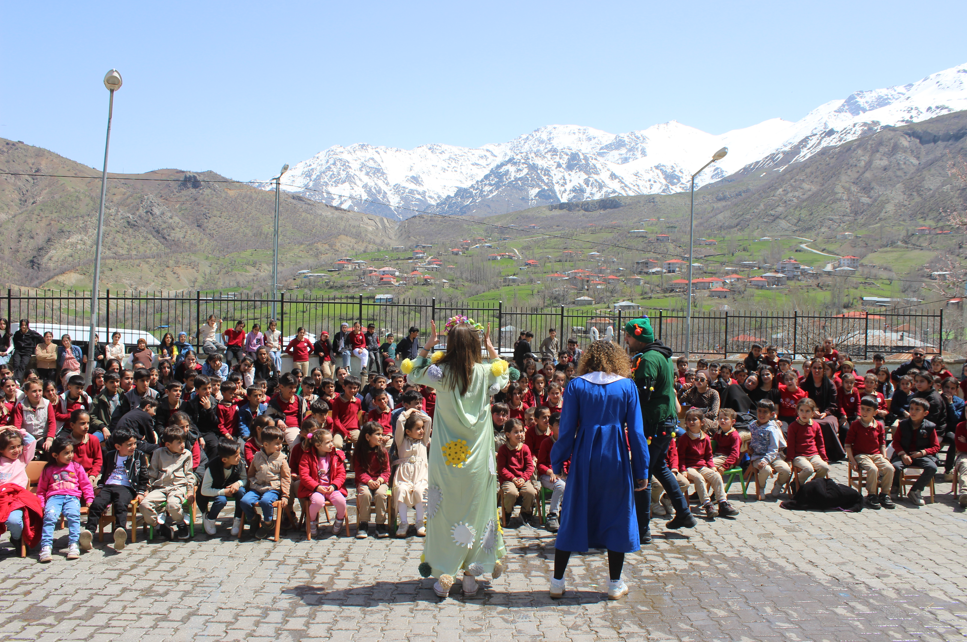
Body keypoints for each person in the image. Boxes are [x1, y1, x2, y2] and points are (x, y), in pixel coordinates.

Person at [405, 317, 510, 598]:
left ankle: (445, 570)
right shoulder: (486, 371)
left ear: (449, 344)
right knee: (478, 510)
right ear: (476, 344)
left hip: (446, 458)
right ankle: (470, 575)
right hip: (479, 460)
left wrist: (427, 345)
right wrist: (491, 349)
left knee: (445, 512)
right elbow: (505, 376)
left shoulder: (440, 373)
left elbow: (412, 375)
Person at [548, 339, 648, 601]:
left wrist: (557, 461)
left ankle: (557, 582)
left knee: (574, 512)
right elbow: (637, 433)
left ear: (588, 358)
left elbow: (567, 429)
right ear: (618, 359)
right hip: (615, 456)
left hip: (585, 455)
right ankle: (615, 584)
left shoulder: (576, 385)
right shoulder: (627, 386)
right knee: (617, 515)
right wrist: (641, 469)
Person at [624, 317, 694, 538]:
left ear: (638, 337)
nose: (625, 339)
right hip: (664, 423)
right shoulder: (661, 356)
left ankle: (642, 529)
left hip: (654, 426)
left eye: (628, 335)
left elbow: (642, 394)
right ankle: (683, 512)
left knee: (641, 472)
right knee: (659, 468)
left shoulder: (648, 359)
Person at [79, 426, 147, 552]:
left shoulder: (138, 456)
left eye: (134, 444)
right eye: (129, 445)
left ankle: (120, 532)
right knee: (96, 504)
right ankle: (89, 533)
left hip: (126, 486)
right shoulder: (110, 456)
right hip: (109, 486)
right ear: (118, 447)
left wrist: (141, 491)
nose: (133, 447)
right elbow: (104, 473)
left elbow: (143, 476)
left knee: (120, 504)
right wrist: (100, 486)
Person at [36, 436, 94, 562]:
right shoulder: (48, 469)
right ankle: (46, 546)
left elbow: (86, 485)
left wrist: (89, 499)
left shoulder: (77, 467)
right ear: (56, 455)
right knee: (50, 516)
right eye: (66, 453)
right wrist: (41, 503)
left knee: (73, 515)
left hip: (72, 497)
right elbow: (41, 490)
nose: (70, 455)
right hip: (54, 497)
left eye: (71, 452)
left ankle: (74, 544)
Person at [678, 409, 736, 519]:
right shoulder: (684, 438)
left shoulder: (705, 438)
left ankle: (723, 503)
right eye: (689, 420)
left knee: (716, 476)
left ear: (702, 422)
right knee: (699, 479)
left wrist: (712, 466)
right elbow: (681, 456)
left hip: (702, 466)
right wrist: (683, 470)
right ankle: (707, 504)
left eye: (694, 420)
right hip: (689, 467)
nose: (691, 422)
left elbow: (709, 455)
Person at [140, 425, 194, 540]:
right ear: (168, 444)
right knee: (144, 505)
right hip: (161, 487)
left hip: (178, 487)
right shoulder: (158, 453)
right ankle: (158, 526)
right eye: (178, 442)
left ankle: (181, 524)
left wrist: (190, 491)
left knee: (173, 505)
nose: (182, 445)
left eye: (183, 441)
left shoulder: (187, 454)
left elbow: (189, 474)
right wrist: (146, 489)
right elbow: (152, 473)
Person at [845, 396, 895, 510]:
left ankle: (884, 494)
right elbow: (847, 444)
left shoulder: (879, 425)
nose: (864, 412)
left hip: (876, 454)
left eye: (868, 409)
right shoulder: (856, 425)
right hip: (860, 455)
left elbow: (882, 444)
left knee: (889, 468)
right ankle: (872, 495)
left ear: (875, 412)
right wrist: (852, 460)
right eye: (862, 408)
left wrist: (885, 457)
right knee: (873, 469)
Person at [241, 424, 290, 539]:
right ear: (266, 445)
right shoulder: (257, 457)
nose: (280, 446)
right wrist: (252, 482)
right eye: (277, 444)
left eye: (281, 444)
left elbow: (286, 478)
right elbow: (251, 473)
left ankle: (268, 524)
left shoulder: (282, 459)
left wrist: (285, 495)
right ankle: (254, 519)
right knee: (244, 501)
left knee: (265, 501)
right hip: (257, 488)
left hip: (273, 489)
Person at [298, 426, 347, 536]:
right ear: (318, 445)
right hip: (315, 489)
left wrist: (334, 485)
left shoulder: (336, 456)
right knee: (317, 502)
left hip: (331, 487)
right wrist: (316, 487)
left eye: (332, 441)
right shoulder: (307, 457)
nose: (331, 444)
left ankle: (339, 520)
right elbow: (304, 476)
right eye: (328, 442)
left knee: (341, 501)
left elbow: (341, 474)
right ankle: (312, 521)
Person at [891, 397, 940, 507]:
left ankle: (915, 491)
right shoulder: (902, 425)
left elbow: (936, 446)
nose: (913, 411)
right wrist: (903, 454)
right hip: (904, 454)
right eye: (911, 408)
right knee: (895, 466)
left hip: (921, 455)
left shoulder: (930, 427)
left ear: (925, 413)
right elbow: (896, 442)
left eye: (917, 409)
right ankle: (895, 487)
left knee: (932, 467)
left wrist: (922, 452)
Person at [0, 427, 41, 552]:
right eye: (11, 448)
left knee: (15, 521)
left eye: (18, 446)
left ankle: (16, 538)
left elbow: (32, 440)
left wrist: (18, 431)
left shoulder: (22, 459)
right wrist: (3, 429)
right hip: (1, 497)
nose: (16, 450)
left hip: (17, 499)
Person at [393, 407, 431, 538]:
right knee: (401, 490)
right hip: (404, 475)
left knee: (420, 491)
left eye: (422, 428)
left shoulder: (423, 441)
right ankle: (403, 523)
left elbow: (429, 420)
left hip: (420, 475)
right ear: (408, 431)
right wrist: (408, 412)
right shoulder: (401, 441)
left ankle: (420, 522)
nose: (422, 431)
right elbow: (399, 422)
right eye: (418, 429)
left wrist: (418, 412)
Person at [799, 358, 846, 461]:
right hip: (808, 414)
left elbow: (833, 404)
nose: (817, 370)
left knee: (827, 423)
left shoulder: (830, 384)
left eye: (820, 368)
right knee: (812, 423)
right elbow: (802, 402)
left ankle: (830, 452)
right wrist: (811, 413)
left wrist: (825, 413)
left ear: (824, 370)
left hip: (827, 415)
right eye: (814, 368)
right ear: (811, 369)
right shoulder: (804, 384)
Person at [198, 438, 246, 537]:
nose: (239, 457)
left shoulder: (239, 464)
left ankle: (238, 520)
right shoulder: (212, 467)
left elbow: (245, 479)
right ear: (224, 459)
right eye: (236, 456)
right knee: (221, 500)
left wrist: (238, 483)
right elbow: (204, 490)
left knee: (241, 491)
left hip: (231, 487)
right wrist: (223, 491)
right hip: (214, 490)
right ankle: (210, 518)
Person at [497, 419, 538, 526]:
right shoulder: (503, 450)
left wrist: (523, 478)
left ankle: (525, 514)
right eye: (516, 432)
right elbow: (501, 469)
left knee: (530, 492)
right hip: (508, 480)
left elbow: (529, 467)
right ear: (508, 434)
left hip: (523, 478)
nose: (520, 434)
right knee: (511, 493)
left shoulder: (525, 448)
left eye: (521, 431)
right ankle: (507, 513)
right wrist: (513, 479)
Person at [353, 421, 391, 539]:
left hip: (380, 481)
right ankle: (363, 523)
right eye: (378, 434)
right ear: (367, 436)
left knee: (381, 494)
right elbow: (359, 471)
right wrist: (369, 481)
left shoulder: (383, 451)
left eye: (382, 434)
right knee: (364, 494)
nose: (381, 437)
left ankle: (380, 524)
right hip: (365, 481)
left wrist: (380, 480)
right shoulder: (359, 453)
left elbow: (386, 471)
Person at [748, 400, 791, 500]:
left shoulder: (772, 428)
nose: (761, 414)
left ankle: (779, 484)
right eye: (759, 411)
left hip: (774, 456)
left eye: (765, 412)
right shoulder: (752, 425)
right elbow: (749, 438)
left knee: (786, 470)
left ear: (771, 414)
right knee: (765, 469)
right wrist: (749, 448)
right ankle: (761, 487)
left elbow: (774, 448)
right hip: (758, 456)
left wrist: (766, 460)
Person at [787, 398, 830, 486]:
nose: (804, 414)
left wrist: (824, 458)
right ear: (797, 411)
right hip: (799, 456)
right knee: (808, 469)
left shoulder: (816, 425)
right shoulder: (793, 426)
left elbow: (820, 444)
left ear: (812, 413)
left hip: (814, 455)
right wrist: (789, 460)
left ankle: (813, 485)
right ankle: (796, 484)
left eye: (807, 411)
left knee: (825, 467)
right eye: (801, 410)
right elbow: (790, 445)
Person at [13, 379, 56, 452]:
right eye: (34, 391)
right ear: (26, 392)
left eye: (40, 390)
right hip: (26, 438)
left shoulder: (47, 404)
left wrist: (50, 439)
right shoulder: (21, 405)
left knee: (51, 449)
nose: (38, 394)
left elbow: (52, 422)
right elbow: (17, 425)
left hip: (43, 437)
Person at [64, 409, 101, 488]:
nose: (86, 426)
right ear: (72, 425)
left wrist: (92, 476)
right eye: (82, 423)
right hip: (73, 476)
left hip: (91, 475)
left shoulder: (93, 440)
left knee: (97, 489)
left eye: (88, 423)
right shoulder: (66, 443)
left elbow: (98, 460)